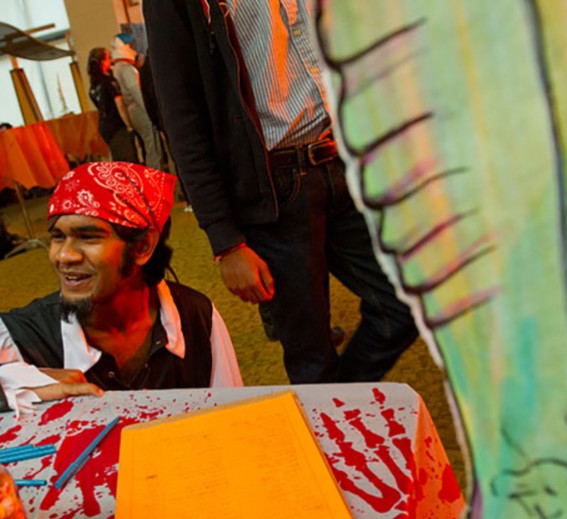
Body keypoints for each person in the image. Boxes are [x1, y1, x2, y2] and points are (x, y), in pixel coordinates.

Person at [0, 162, 243, 435]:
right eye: (57, 237)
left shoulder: (195, 317)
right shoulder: (19, 338)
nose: (63, 256)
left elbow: (233, 418)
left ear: (141, 247)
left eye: (87, 236)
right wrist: (16, 382)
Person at [144, 0, 419, 384]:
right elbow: (182, 117)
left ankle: (336, 396)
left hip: (342, 160)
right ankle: (327, 405)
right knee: (311, 356)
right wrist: (225, 241)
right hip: (274, 190)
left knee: (404, 301)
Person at [110, 34, 166, 170]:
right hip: (140, 110)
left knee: (149, 144)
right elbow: (137, 93)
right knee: (152, 146)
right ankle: (155, 174)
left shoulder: (117, 68)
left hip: (133, 110)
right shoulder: (125, 68)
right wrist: (150, 110)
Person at [86, 47, 139, 163]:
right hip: (117, 125)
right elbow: (120, 105)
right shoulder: (109, 81)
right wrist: (129, 125)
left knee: (119, 158)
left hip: (105, 127)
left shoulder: (93, 87)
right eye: (108, 58)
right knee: (129, 160)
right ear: (102, 62)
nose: (111, 60)